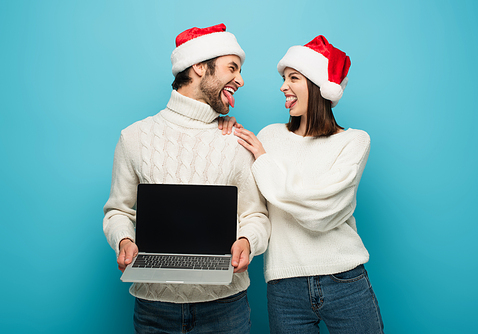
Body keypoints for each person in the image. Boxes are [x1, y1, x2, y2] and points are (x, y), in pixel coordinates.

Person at [103, 23, 270, 334]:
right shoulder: (134, 137)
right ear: (198, 66)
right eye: (232, 67)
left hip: (226, 307)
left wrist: (248, 241)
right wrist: (124, 239)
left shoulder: (236, 140)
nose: (241, 80)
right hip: (154, 308)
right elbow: (119, 211)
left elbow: (255, 215)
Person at [220, 35, 384, 333]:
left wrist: (265, 163)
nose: (283, 86)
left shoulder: (354, 141)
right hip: (284, 285)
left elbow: (322, 213)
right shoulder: (268, 137)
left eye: (293, 77)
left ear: (318, 86)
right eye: (283, 78)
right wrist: (223, 124)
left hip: (344, 278)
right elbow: (248, 197)